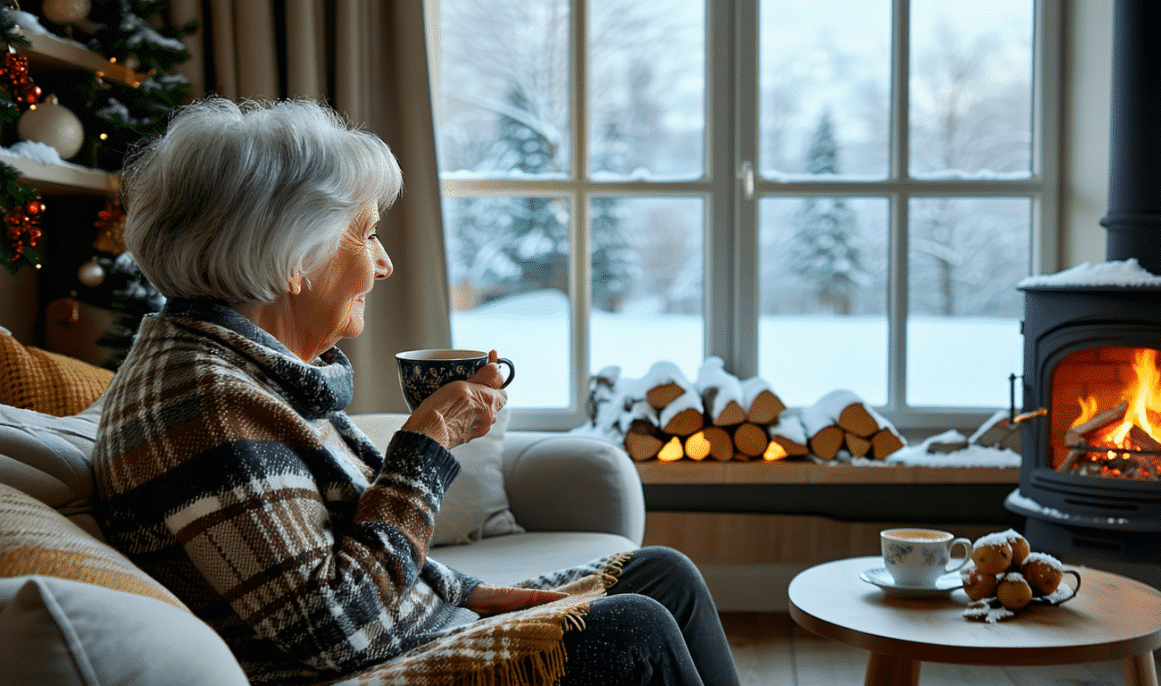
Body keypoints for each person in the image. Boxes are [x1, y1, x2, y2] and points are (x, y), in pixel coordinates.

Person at [92, 97, 741, 686]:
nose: (383, 263)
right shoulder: (204, 405)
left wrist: (465, 590)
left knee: (662, 576)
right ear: (296, 256)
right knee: (633, 626)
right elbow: (333, 628)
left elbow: (335, 544)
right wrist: (428, 446)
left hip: (404, 630)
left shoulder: (245, 370)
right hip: (361, 667)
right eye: (367, 232)